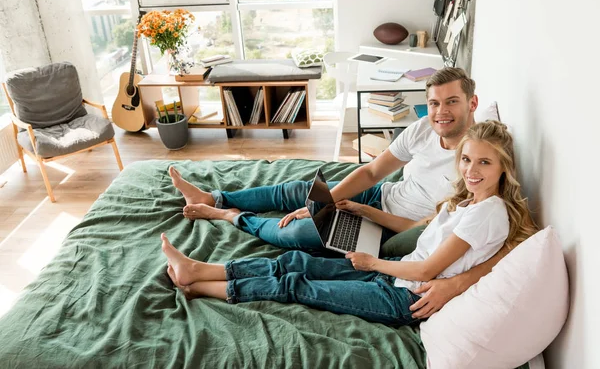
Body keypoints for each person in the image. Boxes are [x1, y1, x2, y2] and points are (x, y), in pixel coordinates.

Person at [161, 121, 538, 326]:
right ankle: (199, 269)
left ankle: (200, 287)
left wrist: (371, 262)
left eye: (484, 163)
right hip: (394, 275)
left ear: (504, 166)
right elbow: (418, 237)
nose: (471, 170)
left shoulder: (489, 212)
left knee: (297, 283)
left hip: (403, 297)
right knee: (298, 262)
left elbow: (427, 268)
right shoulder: (469, 202)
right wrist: (365, 213)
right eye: (467, 160)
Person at [168, 67, 479, 251]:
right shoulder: (424, 128)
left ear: (472, 103)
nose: (441, 112)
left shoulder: (477, 165)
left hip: (389, 229)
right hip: (381, 196)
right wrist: (323, 201)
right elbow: (372, 172)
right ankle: (215, 196)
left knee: (296, 232)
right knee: (295, 191)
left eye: (452, 102)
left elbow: (424, 228)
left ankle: (228, 215)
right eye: (435, 103)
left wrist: (361, 212)